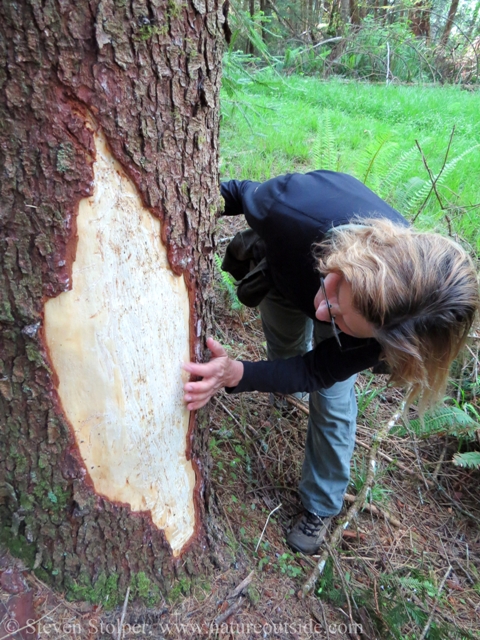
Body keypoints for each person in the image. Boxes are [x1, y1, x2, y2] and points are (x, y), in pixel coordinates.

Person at [183, 170, 479, 555]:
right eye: (336, 290)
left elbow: (316, 370)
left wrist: (235, 373)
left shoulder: (396, 328)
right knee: (286, 347)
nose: (321, 314)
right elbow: (233, 194)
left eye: (339, 321)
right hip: (291, 264)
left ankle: (320, 505)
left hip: (348, 308)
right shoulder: (291, 210)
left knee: (332, 398)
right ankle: (289, 386)